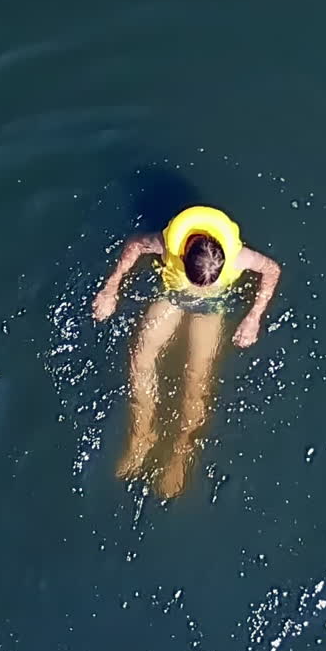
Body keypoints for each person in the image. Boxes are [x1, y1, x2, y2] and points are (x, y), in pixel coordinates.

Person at [92, 204, 282, 498]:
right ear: (183, 255)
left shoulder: (239, 256)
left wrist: (254, 317)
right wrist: (110, 288)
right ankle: (142, 432)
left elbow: (271, 269)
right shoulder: (168, 243)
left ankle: (181, 448)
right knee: (141, 357)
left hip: (211, 308)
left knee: (197, 375)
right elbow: (135, 245)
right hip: (174, 295)